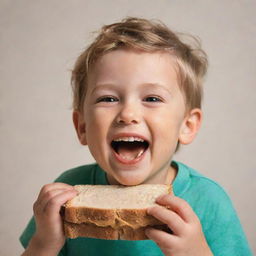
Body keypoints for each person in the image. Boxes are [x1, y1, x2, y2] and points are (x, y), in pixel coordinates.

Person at [20, 17, 252, 256]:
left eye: (152, 99)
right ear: (82, 127)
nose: (128, 114)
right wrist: (43, 243)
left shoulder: (209, 201)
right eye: (108, 99)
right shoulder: (67, 193)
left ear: (187, 126)